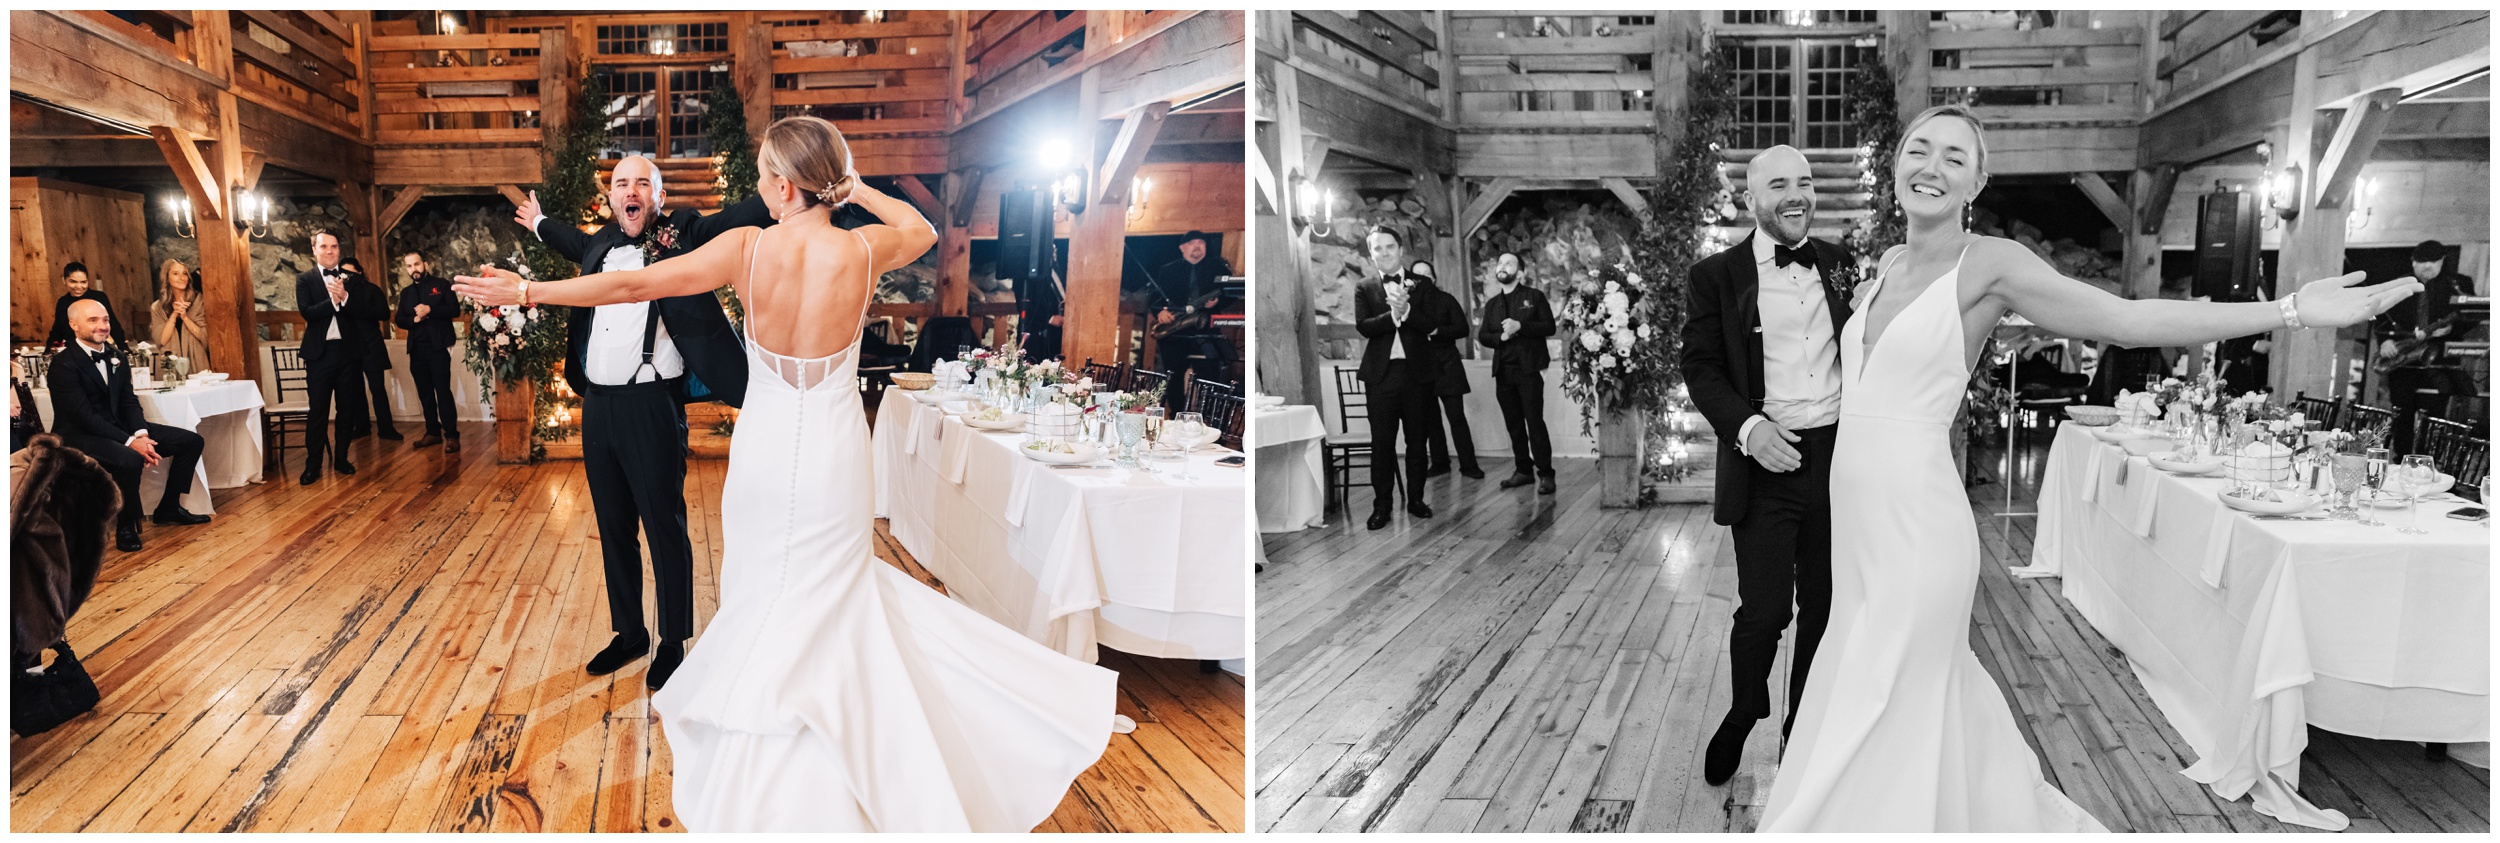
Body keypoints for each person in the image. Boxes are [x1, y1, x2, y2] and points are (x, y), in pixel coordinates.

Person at [1757, 104, 2416, 832]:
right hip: (1858, 530)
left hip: (1918, 530)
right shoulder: (1884, 266)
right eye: (1919, 150)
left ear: (1976, 181)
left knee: (1886, 687)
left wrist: (2289, 310)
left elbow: (2127, 320)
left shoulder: (1992, 264)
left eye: (1953, 156)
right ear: (1896, 166)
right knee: (1878, 679)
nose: (1931, 167)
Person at [457, 115, 1115, 832]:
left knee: (765, 580)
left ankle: (770, 718)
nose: (764, 190)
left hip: (769, 447)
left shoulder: (746, 250)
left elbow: (629, 287)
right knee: (837, 588)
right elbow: (922, 227)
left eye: (770, 176)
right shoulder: (864, 249)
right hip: (835, 447)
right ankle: (837, 723)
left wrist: (525, 295)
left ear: (782, 184)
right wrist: (854, 186)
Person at [509, 153, 766, 689]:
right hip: (598, 405)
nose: (632, 191)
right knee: (613, 526)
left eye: (642, 183)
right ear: (611, 198)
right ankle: (630, 633)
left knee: (664, 526)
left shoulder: (686, 232)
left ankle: (672, 640)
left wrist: (786, 187)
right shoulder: (600, 243)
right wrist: (537, 222)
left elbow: (738, 217)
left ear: (659, 195)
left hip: (653, 405)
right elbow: (569, 242)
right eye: (621, 183)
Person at [1680, 145, 1855, 786]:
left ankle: (1799, 728)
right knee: (1765, 610)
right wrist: (1749, 430)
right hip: (1764, 464)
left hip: (1837, 461)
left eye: (1805, 183)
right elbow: (1700, 366)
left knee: (1826, 606)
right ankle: (1746, 709)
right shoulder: (1716, 276)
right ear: (1750, 199)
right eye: (1779, 184)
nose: (1796, 194)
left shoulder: (1839, 264)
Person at [49, 299, 210, 552]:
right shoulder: (63, 364)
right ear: (73, 324)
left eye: (105, 320)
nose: (102, 326)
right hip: (79, 435)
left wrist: (141, 434)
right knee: (128, 459)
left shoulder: (116, 356)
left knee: (191, 441)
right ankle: (126, 524)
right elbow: (83, 416)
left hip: (120, 428)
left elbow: (128, 401)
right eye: (93, 320)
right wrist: (130, 442)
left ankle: (168, 506)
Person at [1352, 226, 1463, 531]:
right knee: (1382, 444)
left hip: (1418, 375)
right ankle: (1382, 506)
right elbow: (1364, 326)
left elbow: (1431, 325)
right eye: (1378, 248)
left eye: (1389, 247)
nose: (1384, 253)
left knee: (1417, 441)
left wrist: (1408, 311)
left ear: (1401, 250)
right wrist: (1394, 317)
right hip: (1381, 377)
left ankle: (1415, 499)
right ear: (1371, 253)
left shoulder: (1423, 284)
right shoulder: (1365, 286)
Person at [294, 230, 387, 484]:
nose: (330, 251)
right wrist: (332, 303)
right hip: (319, 356)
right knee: (318, 411)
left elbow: (364, 313)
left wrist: (345, 297)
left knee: (347, 409)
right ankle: (312, 465)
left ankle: (342, 459)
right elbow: (307, 312)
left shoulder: (352, 280)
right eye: (324, 246)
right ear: (314, 249)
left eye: (334, 246)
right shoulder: (305, 280)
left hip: (349, 354)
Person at [1476, 252, 1556, 493]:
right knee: (1514, 425)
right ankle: (1523, 470)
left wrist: (1521, 326)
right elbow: (1483, 336)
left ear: (1520, 273)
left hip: (1529, 369)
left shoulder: (1534, 297)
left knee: (1534, 422)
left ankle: (1546, 474)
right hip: (1503, 372)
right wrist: (1500, 337)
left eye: (1508, 263)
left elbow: (1549, 326)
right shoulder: (1492, 304)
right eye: (1499, 262)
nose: (1502, 266)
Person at [1407, 260, 1481, 479]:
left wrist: (1437, 331)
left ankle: (1469, 465)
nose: (1421, 279)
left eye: (1426, 275)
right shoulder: (1407, 303)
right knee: (1430, 419)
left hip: (1447, 363)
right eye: (1416, 275)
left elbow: (1462, 328)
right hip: (1420, 364)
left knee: (1456, 416)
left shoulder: (1446, 299)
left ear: (1434, 278)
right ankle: (1440, 462)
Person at [1150, 231, 1235, 405]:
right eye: (1191, 243)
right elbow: (1154, 297)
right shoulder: (1167, 270)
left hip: (1205, 332)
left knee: (1209, 378)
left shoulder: (1217, 267)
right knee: (1172, 377)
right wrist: (1160, 312)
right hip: (1175, 332)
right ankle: (1176, 414)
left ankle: (1207, 417)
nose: (1197, 246)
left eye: (1201, 243)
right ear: (1182, 248)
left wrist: (1219, 301)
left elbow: (1231, 291)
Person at [394, 251, 463, 451]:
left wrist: (430, 310)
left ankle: (452, 435)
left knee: (442, 392)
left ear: (424, 264)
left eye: (416, 264)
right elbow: (399, 319)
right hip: (416, 349)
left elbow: (454, 310)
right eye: (409, 266)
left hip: (438, 347)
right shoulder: (406, 293)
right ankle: (433, 432)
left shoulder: (441, 285)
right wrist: (413, 320)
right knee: (424, 393)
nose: (413, 269)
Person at [334, 257, 402, 442]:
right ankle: (362, 426)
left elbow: (384, 313)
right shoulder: (339, 292)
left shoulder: (372, 290)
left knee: (377, 388)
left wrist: (356, 307)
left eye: (351, 274)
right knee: (355, 389)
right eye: (343, 274)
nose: (347, 277)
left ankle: (386, 428)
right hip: (349, 345)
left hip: (371, 344)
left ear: (360, 272)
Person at [149, 260, 212, 369]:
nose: (182, 278)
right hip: (172, 365)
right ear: (167, 278)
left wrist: (185, 317)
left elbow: (205, 337)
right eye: (175, 274)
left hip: (198, 362)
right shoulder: (158, 307)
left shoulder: (200, 301)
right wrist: (174, 315)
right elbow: (161, 340)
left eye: (185, 273)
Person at [49, 262, 128, 348]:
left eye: (83, 282)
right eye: (73, 282)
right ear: (64, 280)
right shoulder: (62, 302)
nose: (79, 286)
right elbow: (57, 330)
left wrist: (123, 348)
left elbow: (113, 324)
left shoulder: (99, 297)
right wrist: (48, 350)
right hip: (73, 349)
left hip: (98, 347)